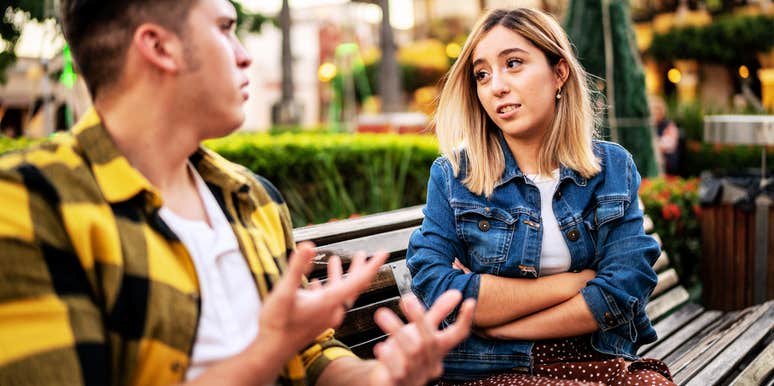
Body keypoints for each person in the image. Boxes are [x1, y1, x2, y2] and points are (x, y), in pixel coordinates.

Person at [0, 1, 475, 385]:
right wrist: (269, 346)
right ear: (159, 46)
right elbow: (281, 345)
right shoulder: (30, 201)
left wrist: (377, 377)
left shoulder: (249, 195)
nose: (244, 53)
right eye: (225, 27)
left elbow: (308, 354)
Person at [406, 8, 674, 385]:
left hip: (594, 355)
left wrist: (502, 327)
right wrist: (572, 283)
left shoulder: (612, 167)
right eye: (482, 74)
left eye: (513, 64)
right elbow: (437, 289)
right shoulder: (454, 177)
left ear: (559, 72)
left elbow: (623, 287)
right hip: (493, 368)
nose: (495, 85)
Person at [650, 96, 681, 175]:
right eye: (652, 110)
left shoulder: (669, 126)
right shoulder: (648, 127)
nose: (654, 113)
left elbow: (667, 145)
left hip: (667, 165)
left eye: (657, 110)